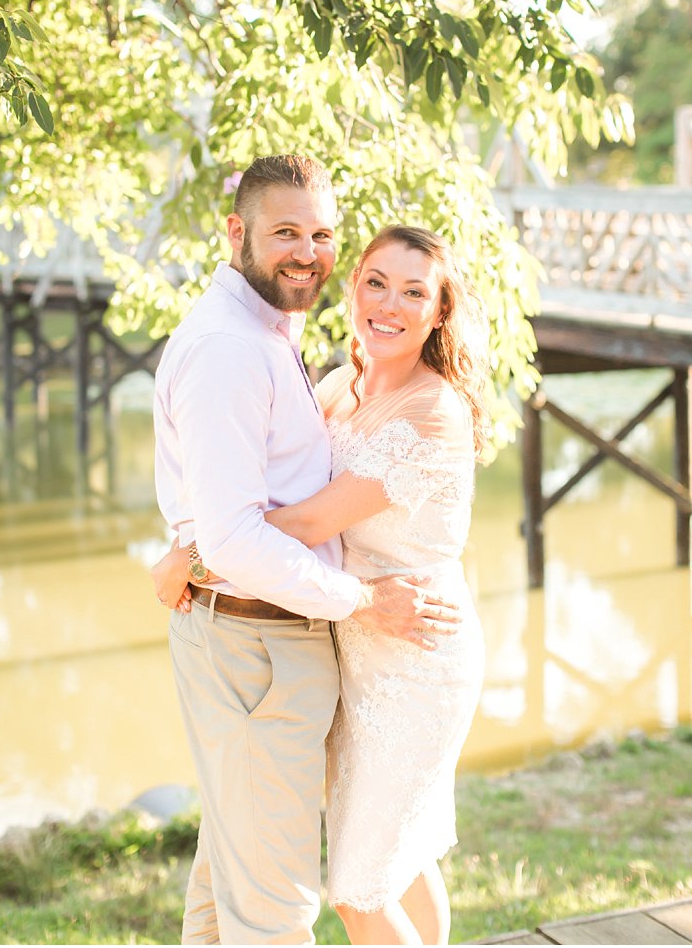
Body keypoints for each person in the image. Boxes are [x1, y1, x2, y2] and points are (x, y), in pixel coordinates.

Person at [150, 155, 463, 944]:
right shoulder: (246, 351)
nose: (306, 251)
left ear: (439, 312)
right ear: (237, 233)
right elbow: (244, 528)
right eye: (286, 231)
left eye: (321, 234)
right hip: (271, 635)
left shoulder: (282, 341)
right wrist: (197, 549)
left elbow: (275, 519)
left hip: (382, 646)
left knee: (253, 879)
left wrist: (191, 552)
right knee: (277, 903)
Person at [258, 225, 487, 945]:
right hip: (358, 645)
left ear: (438, 312)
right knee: (401, 857)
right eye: (376, 282)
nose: (389, 303)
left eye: (414, 291)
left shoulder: (433, 412)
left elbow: (309, 519)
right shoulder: (339, 385)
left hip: (418, 656)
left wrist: (207, 537)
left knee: (358, 887)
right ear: (353, 286)